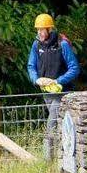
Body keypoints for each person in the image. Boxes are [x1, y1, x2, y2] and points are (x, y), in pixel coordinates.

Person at [27, 12, 80, 160]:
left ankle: (48, 160)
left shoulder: (62, 44)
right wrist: (36, 80)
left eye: (42, 29)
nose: (39, 32)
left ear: (49, 29)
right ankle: (64, 156)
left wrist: (58, 81)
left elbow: (74, 68)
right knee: (60, 123)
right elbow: (31, 65)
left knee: (51, 123)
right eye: (37, 29)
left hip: (62, 92)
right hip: (47, 93)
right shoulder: (36, 44)